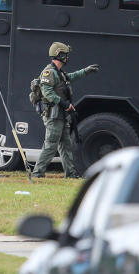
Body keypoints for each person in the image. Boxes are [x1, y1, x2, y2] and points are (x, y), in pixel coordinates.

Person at [31, 42, 99, 178]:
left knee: (66, 145)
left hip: (61, 114)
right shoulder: (49, 72)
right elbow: (47, 92)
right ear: (59, 54)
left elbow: (70, 77)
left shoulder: (59, 73)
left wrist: (85, 71)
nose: (67, 57)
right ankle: (37, 173)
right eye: (65, 55)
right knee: (50, 145)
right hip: (53, 114)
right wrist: (63, 103)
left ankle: (71, 174)